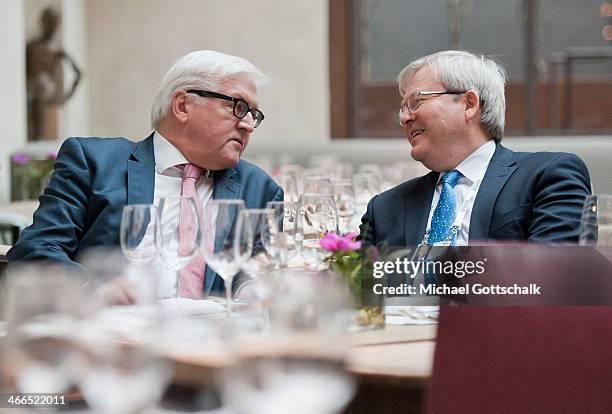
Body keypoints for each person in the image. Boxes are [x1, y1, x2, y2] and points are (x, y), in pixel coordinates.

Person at [9, 50, 283, 297]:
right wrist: (98, 292)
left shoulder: (260, 190)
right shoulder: (94, 162)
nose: (248, 125)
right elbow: (36, 252)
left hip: (211, 344)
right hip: (111, 336)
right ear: (183, 106)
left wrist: (255, 293)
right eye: (238, 107)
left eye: (253, 115)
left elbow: (265, 274)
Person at [360, 50, 591, 247]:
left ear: (469, 103)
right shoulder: (384, 208)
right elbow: (355, 288)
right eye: (403, 108)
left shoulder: (547, 177)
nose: (404, 117)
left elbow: (553, 278)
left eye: (416, 101)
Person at [26, 7, 81, 141]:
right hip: (31, 87)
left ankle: (37, 136)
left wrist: (65, 97)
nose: (51, 26)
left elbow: (78, 73)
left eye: (54, 22)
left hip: (45, 90)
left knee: (41, 88)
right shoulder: (32, 46)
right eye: (48, 21)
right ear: (43, 22)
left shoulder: (57, 49)